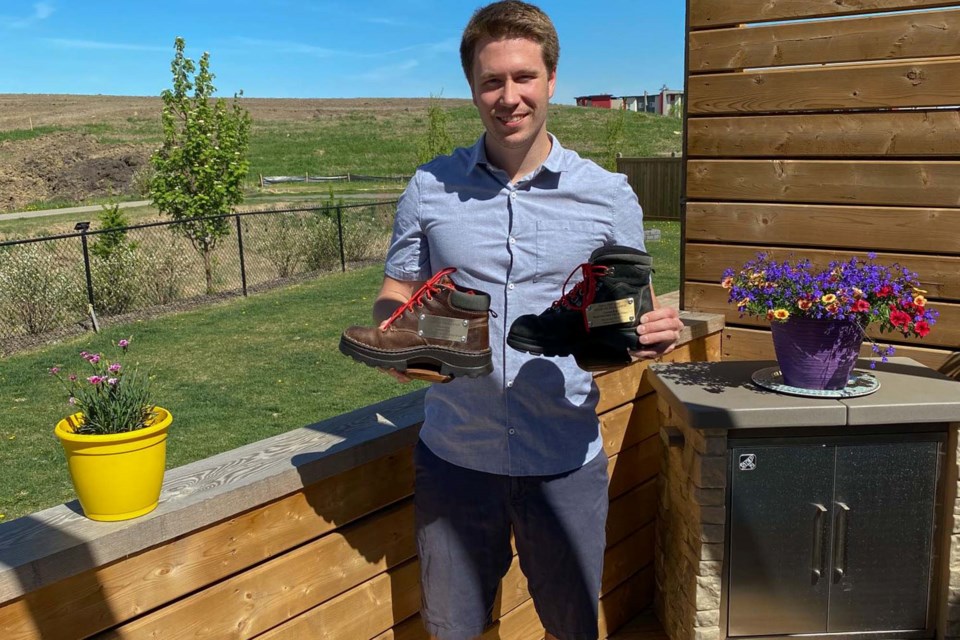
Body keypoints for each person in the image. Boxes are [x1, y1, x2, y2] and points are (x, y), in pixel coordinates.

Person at [369, 2, 684, 638]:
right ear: (472, 88)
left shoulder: (607, 194)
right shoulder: (429, 187)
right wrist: (401, 337)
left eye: (523, 78)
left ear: (550, 80)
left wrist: (647, 334)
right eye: (491, 81)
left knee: (572, 628)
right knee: (454, 629)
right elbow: (392, 294)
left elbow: (628, 307)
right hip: (456, 459)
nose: (508, 97)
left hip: (565, 458)